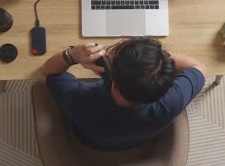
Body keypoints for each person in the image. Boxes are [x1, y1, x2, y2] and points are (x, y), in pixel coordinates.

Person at [40, 37, 206, 151]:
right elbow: (199, 67)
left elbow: (50, 72)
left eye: (112, 51)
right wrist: (155, 61)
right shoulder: (172, 101)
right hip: (139, 139)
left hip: (93, 142)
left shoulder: (79, 99)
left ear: (106, 72)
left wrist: (72, 55)